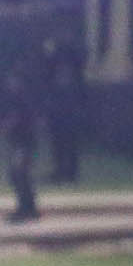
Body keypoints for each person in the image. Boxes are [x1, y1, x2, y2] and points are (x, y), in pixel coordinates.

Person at [42, 33, 85, 183]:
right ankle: (63, 171)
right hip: (63, 105)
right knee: (62, 140)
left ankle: (66, 172)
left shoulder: (65, 63)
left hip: (66, 106)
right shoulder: (64, 65)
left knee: (66, 140)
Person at [0, 65, 40, 223]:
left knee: (18, 173)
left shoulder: (21, 98)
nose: (9, 83)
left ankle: (26, 208)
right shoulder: (16, 98)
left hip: (25, 142)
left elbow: (18, 119)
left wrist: (4, 126)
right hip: (21, 142)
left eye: (12, 80)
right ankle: (29, 207)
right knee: (20, 174)